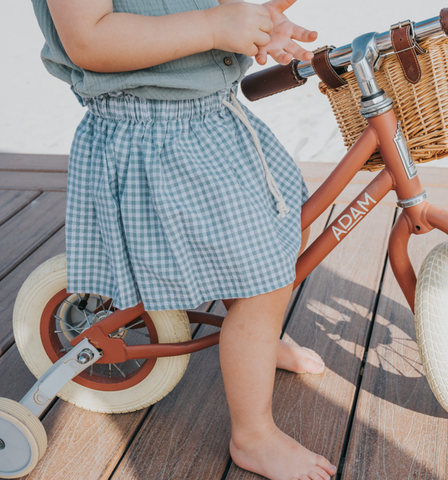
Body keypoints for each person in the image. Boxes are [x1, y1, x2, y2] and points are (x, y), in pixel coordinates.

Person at [31, 0, 337, 478]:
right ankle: (253, 436)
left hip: (215, 119)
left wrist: (256, 20)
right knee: (263, 285)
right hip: (156, 136)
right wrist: (214, 26)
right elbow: (88, 39)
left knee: (288, 231)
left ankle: (258, 337)